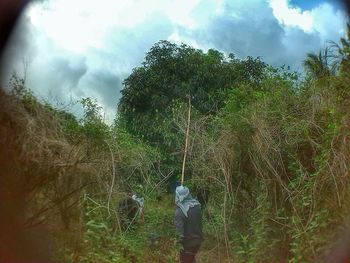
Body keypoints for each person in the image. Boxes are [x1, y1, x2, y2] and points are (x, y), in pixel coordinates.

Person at [174, 185, 203, 263]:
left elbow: (179, 233)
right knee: (190, 259)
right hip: (198, 241)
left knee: (185, 260)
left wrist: (176, 247)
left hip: (187, 244)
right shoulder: (197, 206)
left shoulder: (180, 212)